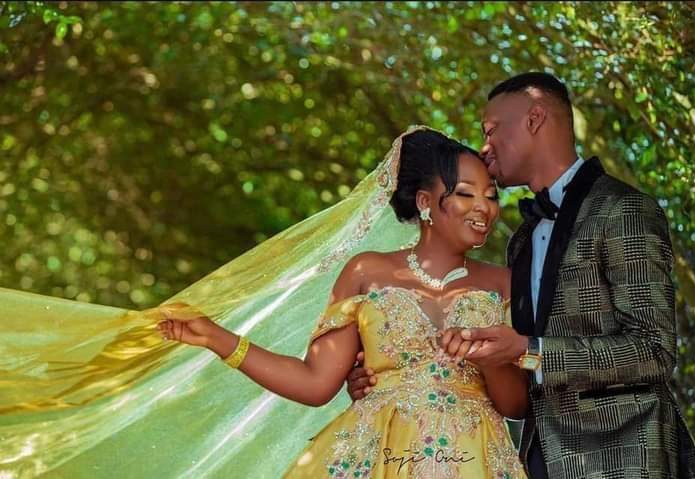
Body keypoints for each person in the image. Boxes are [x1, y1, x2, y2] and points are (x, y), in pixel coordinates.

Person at [347, 73, 695, 478]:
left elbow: (653, 350)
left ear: (534, 118)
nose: (485, 147)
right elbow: (514, 383)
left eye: (491, 130)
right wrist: (390, 374)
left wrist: (529, 350)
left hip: (623, 459)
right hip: (539, 459)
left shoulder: (623, 210)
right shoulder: (522, 240)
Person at [157, 127, 529, 478]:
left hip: (473, 459)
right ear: (424, 202)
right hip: (376, 455)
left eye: (491, 196)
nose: (484, 208)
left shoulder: (505, 282)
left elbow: (516, 405)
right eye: (466, 193)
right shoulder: (367, 271)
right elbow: (315, 383)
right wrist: (217, 338)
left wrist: (488, 359)